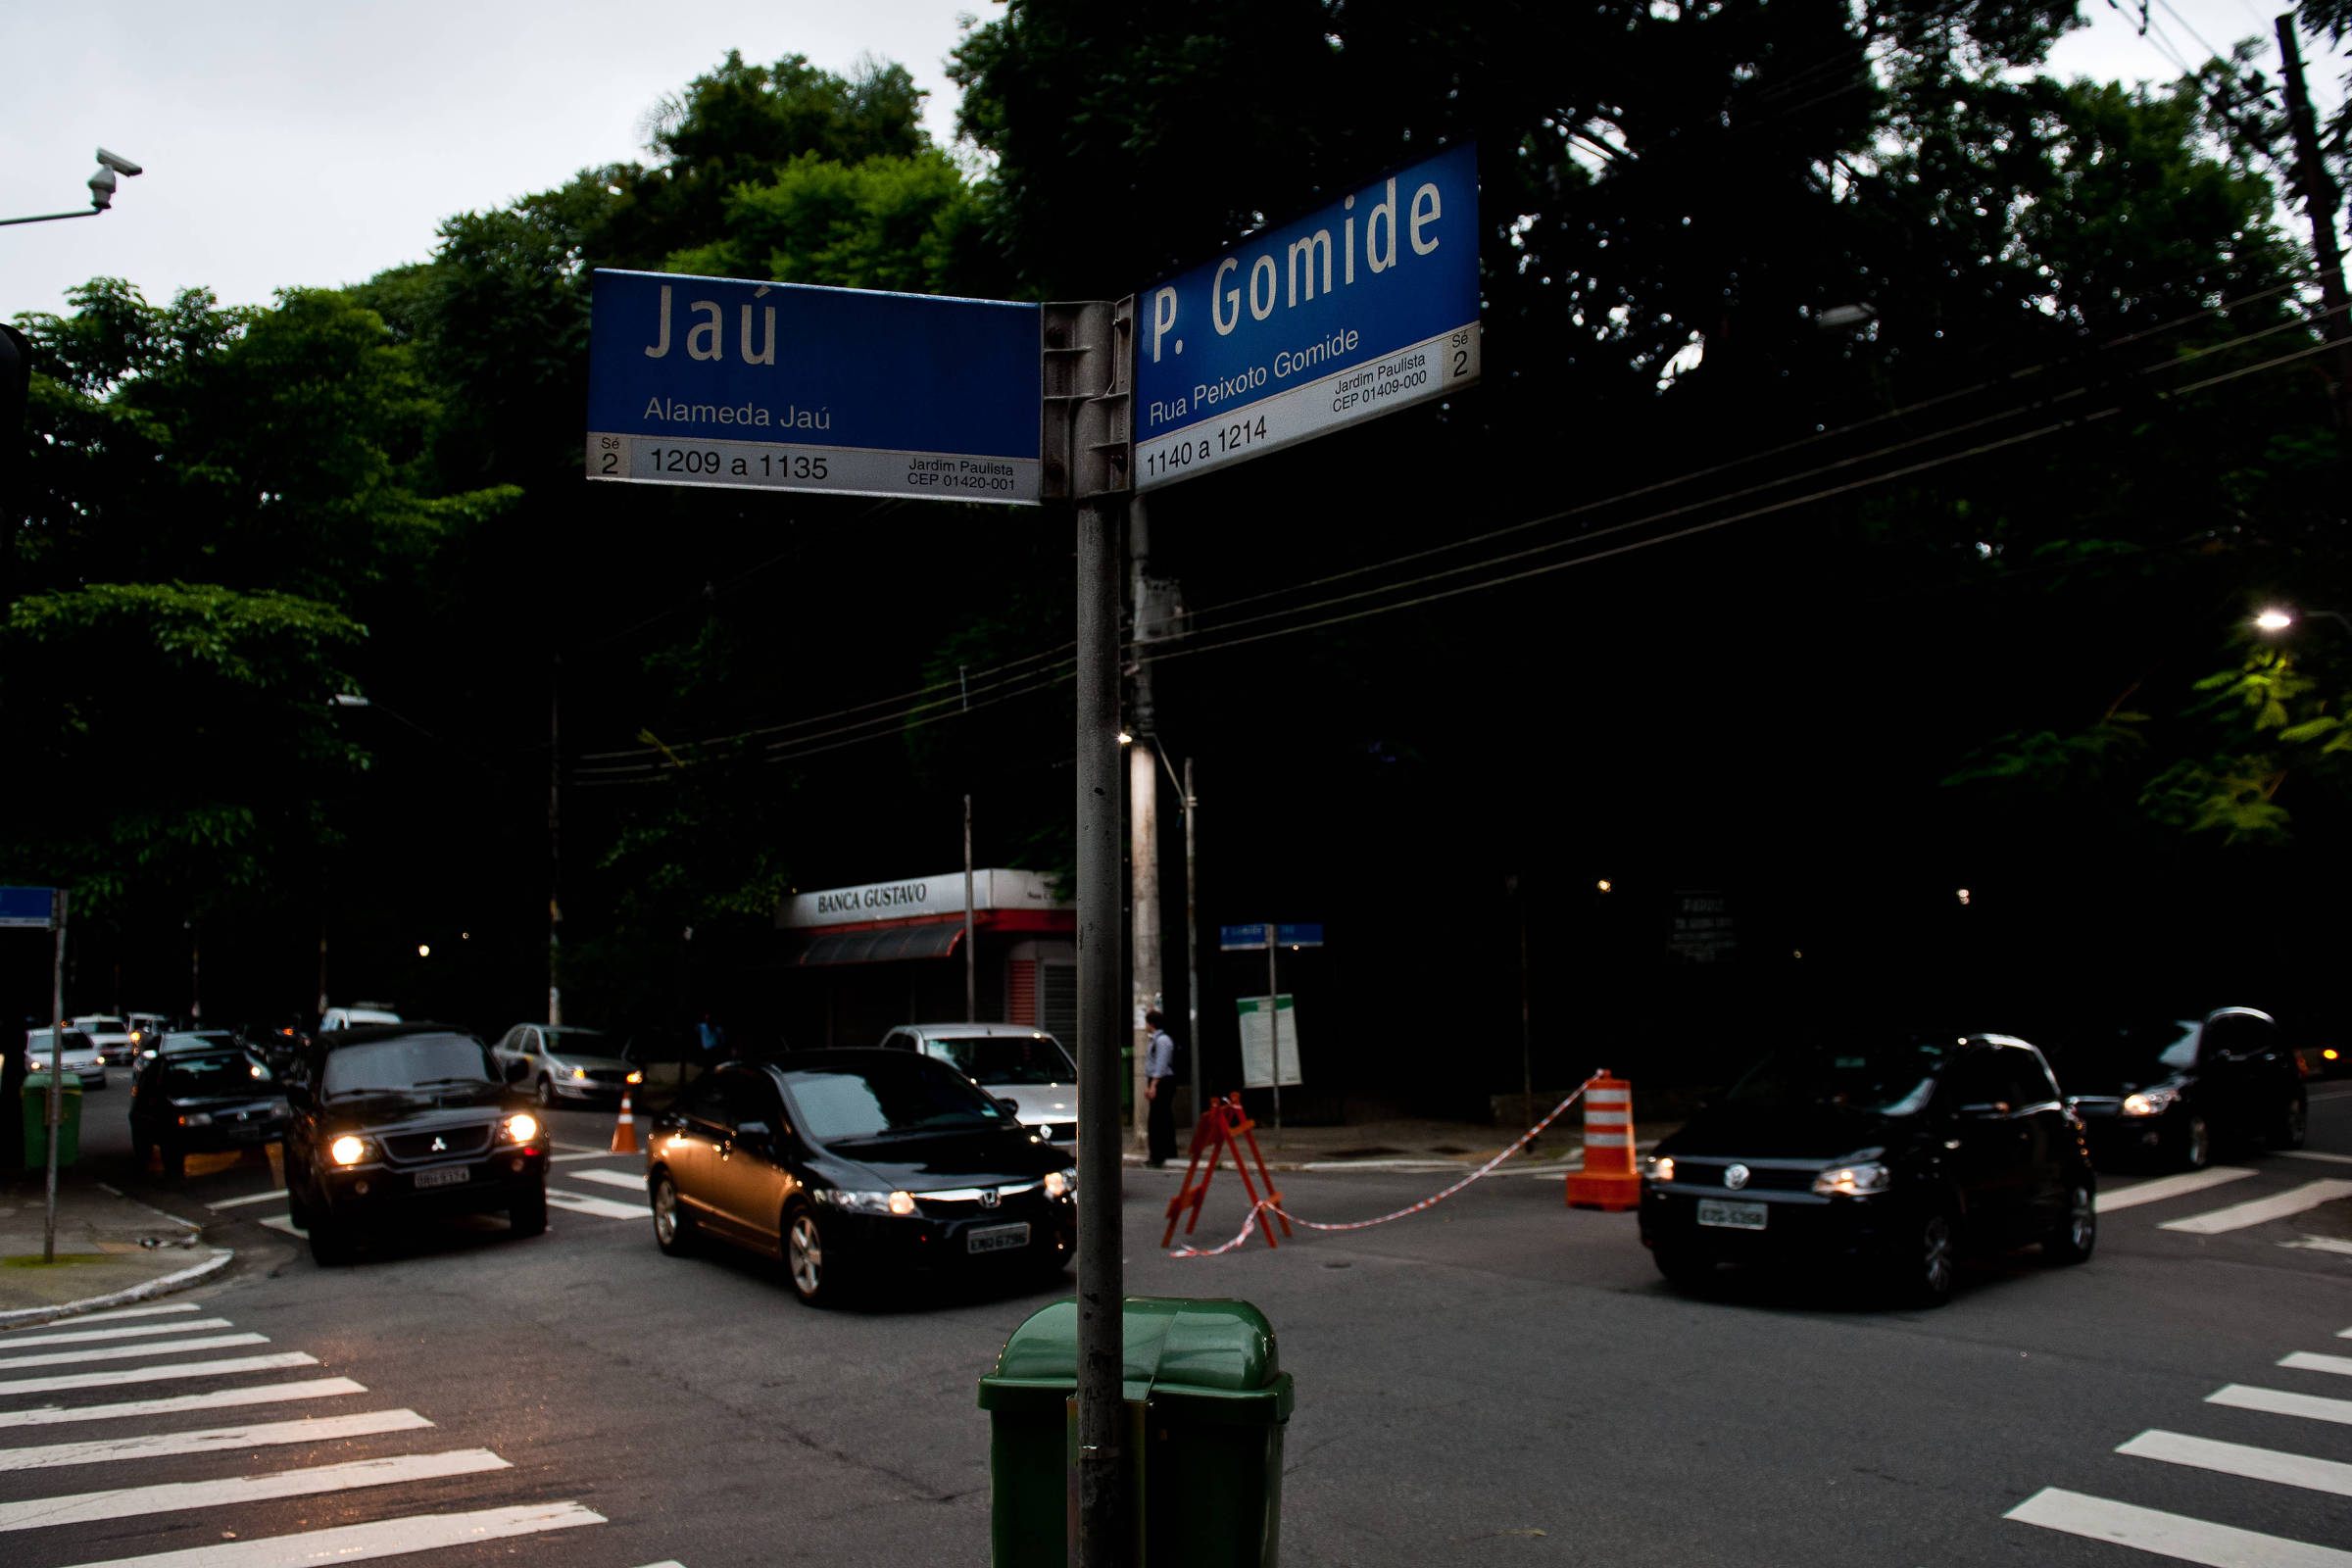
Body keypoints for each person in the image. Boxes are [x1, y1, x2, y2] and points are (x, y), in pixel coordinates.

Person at [1143, 1008, 1178, 1167]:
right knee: (1164, 1117)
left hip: (1162, 1082)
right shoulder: (1156, 1040)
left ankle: (1157, 1156)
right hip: (1159, 1080)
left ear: (1151, 1023)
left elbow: (1161, 1065)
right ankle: (1168, 1151)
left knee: (1157, 1120)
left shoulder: (1162, 1041)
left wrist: (1153, 1085)